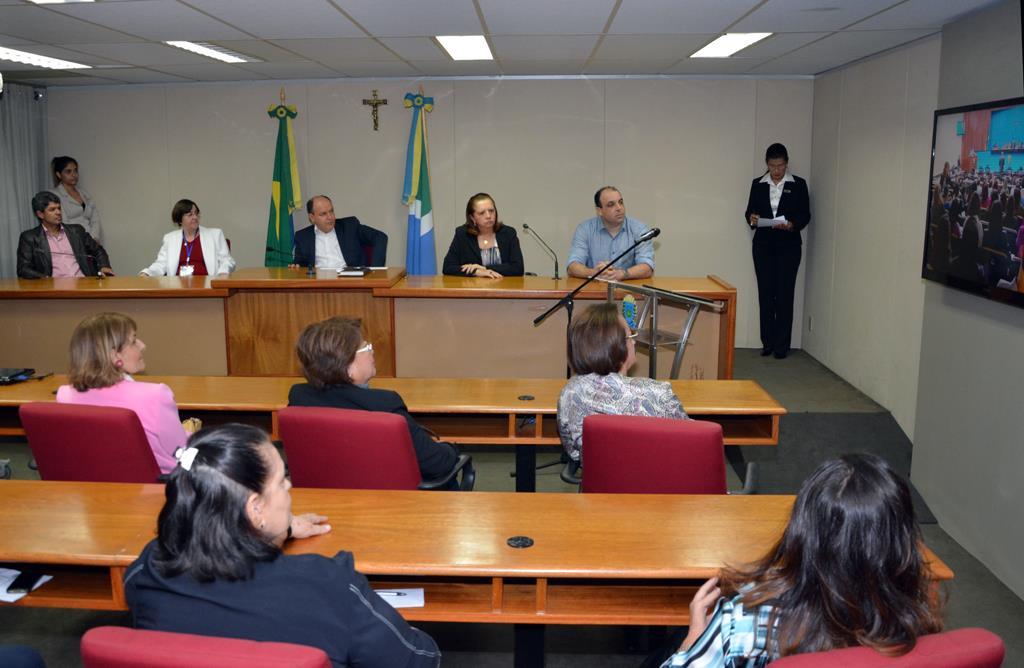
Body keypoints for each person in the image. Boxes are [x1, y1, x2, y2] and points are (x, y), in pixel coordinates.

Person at [124, 423, 440, 667]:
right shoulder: (327, 585)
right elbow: (418, 659)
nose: (289, 485)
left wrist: (282, 528)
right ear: (255, 508)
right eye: (280, 480)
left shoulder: (146, 570)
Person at [657, 453, 943, 667]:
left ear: (802, 530)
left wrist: (693, 639)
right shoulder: (915, 624)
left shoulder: (743, 625)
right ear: (902, 541)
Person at [288, 317, 460, 483]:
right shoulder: (384, 404)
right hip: (394, 503)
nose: (372, 350)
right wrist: (452, 448)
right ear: (347, 367)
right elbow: (437, 464)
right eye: (365, 347)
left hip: (325, 499)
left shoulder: (299, 397)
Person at [56, 312, 186, 474]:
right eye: (133, 341)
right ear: (113, 355)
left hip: (93, 489)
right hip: (162, 488)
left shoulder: (65, 396)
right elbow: (181, 452)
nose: (142, 345)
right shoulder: (156, 395)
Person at [557, 302, 687, 463]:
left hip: (600, 483)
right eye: (630, 337)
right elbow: (690, 444)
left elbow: (573, 452)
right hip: (656, 483)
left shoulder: (569, 393)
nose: (634, 342)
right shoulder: (659, 393)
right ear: (615, 346)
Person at [745, 143, 810, 359]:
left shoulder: (798, 184)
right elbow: (749, 213)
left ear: (786, 163)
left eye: (780, 165)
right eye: (772, 166)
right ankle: (768, 342)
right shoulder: (758, 184)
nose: (776, 170)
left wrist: (792, 224)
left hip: (788, 247)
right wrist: (753, 219)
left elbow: (805, 214)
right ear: (767, 164)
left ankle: (782, 345)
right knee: (766, 294)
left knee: (784, 295)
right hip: (763, 246)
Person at [16, 191, 114, 279]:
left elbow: (98, 250)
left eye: (59, 208)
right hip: (54, 290)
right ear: (40, 214)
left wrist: (104, 266)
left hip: (84, 284)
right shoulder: (29, 238)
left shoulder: (77, 231)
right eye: (52, 209)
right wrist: (45, 279)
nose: (58, 212)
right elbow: (23, 269)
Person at [567, 186, 655, 281]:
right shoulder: (585, 229)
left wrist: (622, 274)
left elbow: (647, 267)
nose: (619, 208)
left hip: (628, 291)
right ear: (599, 211)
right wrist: (594, 273)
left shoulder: (639, 229)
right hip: (596, 289)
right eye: (611, 204)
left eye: (620, 202)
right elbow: (573, 266)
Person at [139, 199, 236, 277]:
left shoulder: (215, 235)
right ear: (180, 220)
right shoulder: (170, 238)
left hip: (207, 287)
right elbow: (160, 264)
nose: (195, 217)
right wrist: (148, 273)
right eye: (190, 214)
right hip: (177, 288)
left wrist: (223, 273)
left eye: (196, 213)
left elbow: (227, 260)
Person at [291, 195, 387, 269]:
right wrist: (295, 267)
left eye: (331, 211)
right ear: (312, 218)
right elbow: (300, 264)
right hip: (319, 286)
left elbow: (380, 237)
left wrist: (375, 270)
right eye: (323, 214)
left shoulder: (350, 226)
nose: (330, 217)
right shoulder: (302, 237)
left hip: (350, 284)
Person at [442, 193, 524, 278]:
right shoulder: (462, 235)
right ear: (472, 218)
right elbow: (448, 267)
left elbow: (518, 268)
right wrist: (476, 272)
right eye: (482, 213)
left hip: (503, 288)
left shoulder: (508, 233)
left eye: (491, 211)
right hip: (474, 289)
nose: (488, 216)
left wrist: (484, 268)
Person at [49, 156, 103, 244]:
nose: (74, 175)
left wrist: (94, 238)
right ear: (59, 174)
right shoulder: (54, 195)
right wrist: (81, 244)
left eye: (75, 170)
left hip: (92, 242)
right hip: (71, 244)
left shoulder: (84, 193)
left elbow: (95, 218)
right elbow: (62, 223)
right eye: (68, 171)